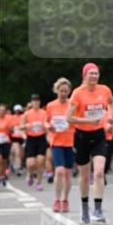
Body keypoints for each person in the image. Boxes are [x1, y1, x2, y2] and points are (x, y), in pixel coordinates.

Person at [66, 63, 113, 223]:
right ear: (84, 76)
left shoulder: (105, 90)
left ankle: (98, 210)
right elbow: (68, 117)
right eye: (91, 73)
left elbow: (111, 103)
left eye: (96, 73)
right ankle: (85, 206)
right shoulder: (78, 93)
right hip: (82, 137)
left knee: (99, 172)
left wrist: (111, 117)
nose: (94, 76)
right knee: (84, 176)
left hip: (99, 135)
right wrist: (88, 121)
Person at [45, 78, 75, 212]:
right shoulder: (51, 105)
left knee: (68, 173)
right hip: (56, 142)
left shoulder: (72, 105)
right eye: (61, 91)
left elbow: (77, 120)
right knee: (59, 170)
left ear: (69, 92)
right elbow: (46, 121)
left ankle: (65, 200)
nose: (63, 93)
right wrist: (48, 126)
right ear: (56, 90)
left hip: (70, 142)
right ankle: (57, 200)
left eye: (66, 91)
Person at [21, 95, 48, 190]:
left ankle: (39, 183)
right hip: (31, 139)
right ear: (31, 103)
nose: (36, 103)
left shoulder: (44, 113)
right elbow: (21, 127)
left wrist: (46, 127)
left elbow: (47, 123)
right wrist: (26, 126)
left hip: (41, 138)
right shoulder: (27, 113)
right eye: (34, 101)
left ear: (40, 102)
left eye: (37, 101)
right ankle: (30, 174)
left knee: (40, 161)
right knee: (30, 164)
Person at [8, 104, 25, 176]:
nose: (17, 111)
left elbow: (26, 125)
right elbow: (9, 127)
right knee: (17, 152)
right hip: (14, 137)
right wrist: (12, 129)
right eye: (16, 110)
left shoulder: (23, 116)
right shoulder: (11, 117)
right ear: (14, 110)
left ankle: (18, 165)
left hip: (22, 137)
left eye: (18, 110)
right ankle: (18, 169)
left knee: (21, 154)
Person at [0, 103, 12, 186]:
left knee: (4, 161)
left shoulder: (8, 119)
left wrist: (9, 128)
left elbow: (12, 131)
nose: (2, 112)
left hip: (6, 142)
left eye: (4, 110)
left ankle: (3, 175)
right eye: (0, 110)